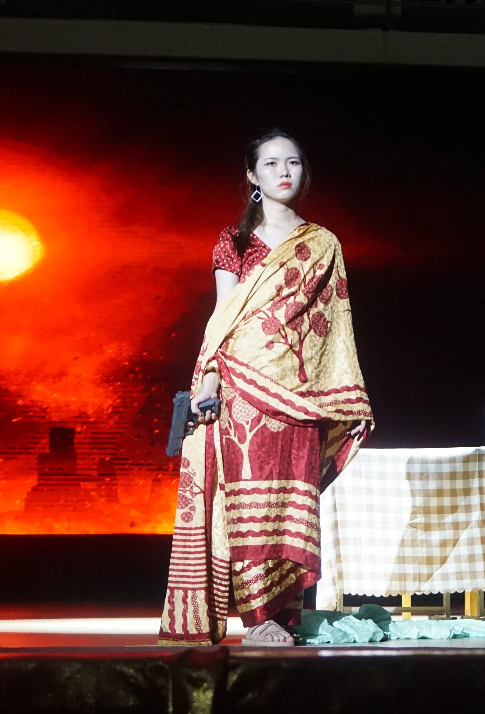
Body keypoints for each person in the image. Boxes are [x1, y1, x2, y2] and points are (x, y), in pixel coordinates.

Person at [157, 130, 373, 646]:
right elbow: (223, 316)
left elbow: (333, 325)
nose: (284, 172)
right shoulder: (233, 242)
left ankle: (285, 616)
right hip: (242, 388)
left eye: (293, 162)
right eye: (271, 163)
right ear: (252, 175)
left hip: (300, 393)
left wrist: (340, 394)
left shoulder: (322, 244)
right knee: (246, 502)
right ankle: (257, 620)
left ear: (304, 171)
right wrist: (210, 374)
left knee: (288, 504)